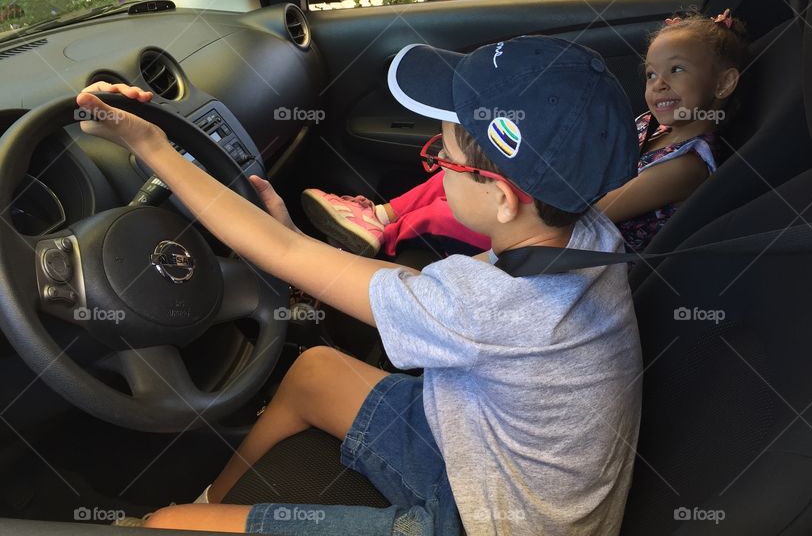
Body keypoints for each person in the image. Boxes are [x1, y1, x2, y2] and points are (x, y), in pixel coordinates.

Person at [83, 35, 643, 535]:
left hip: (484, 520)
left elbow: (284, 253)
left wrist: (150, 146)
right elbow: (328, 265)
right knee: (316, 371)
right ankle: (214, 500)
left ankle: (189, 514)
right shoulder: (591, 231)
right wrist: (298, 253)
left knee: (164, 524)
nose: (436, 167)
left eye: (440, 157)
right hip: (490, 453)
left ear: (502, 197)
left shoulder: (481, 307)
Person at [304, 9, 748, 256]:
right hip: (564, 203)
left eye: (676, 70)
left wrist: (526, 185)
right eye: (651, 74)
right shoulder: (649, 126)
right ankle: (379, 215)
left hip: (577, 240)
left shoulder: (689, 165)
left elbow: (598, 209)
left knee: (447, 209)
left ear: (724, 84)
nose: (659, 84)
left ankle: (380, 240)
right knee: (456, 171)